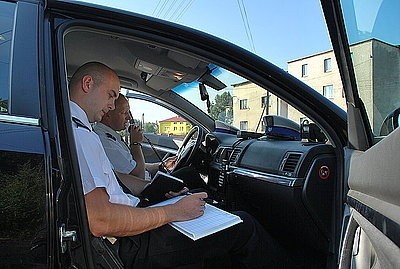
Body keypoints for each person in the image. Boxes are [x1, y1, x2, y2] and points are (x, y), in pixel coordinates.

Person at [69, 61, 287, 269]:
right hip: (128, 244)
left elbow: (117, 180)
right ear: (88, 84)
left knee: (203, 205)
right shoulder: (80, 135)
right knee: (244, 226)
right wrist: (171, 212)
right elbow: (100, 220)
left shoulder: (79, 129)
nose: (112, 105)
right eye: (111, 95)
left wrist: (159, 193)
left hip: (129, 226)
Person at [93, 94, 206, 193]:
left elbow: (131, 165)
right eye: (124, 113)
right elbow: (138, 175)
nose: (129, 117)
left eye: (129, 112)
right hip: (143, 190)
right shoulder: (105, 141)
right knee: (189, 174)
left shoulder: (111, 136)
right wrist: (135, 144)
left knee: (187, 174)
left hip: (147, 183)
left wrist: (160, 166)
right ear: (108, 115)